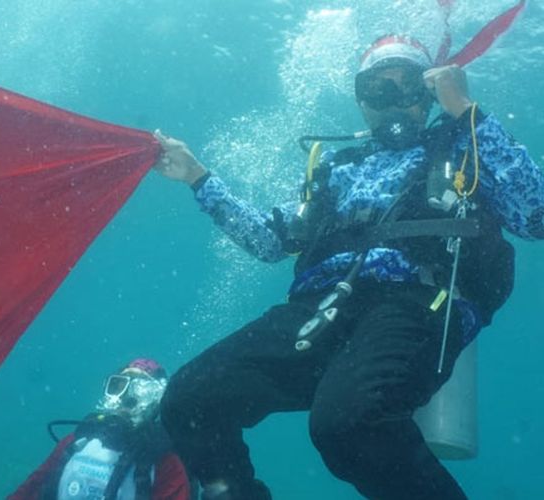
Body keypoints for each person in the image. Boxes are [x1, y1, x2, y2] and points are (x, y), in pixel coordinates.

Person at [154, 34, 544, 500]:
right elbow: (269, 240)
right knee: (189, 397)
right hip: (319, 310)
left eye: (408, 88)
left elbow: (536, 211)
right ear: (361, 101)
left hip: (418, 301)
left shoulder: (462, 148)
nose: (394, 104)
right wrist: (199, 178)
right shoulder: (338, 167)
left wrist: (465, 110)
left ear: (429, 93)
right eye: (378, 91)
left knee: (348, 423)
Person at [8, 358, 192, 500]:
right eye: (118, 386)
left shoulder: (165, 465)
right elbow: (29, 490)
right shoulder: (75, 444)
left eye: (140, 389)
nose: (127, 398)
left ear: (156, 400)